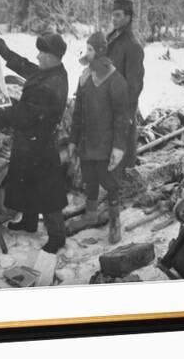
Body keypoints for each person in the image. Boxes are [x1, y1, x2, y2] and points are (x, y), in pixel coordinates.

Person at [0, 33, 69, 253]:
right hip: (31, 139)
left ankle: (58, 236)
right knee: (28, 182)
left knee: (47, 191)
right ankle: (29, 222)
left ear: (53, 56)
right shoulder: (51, 72)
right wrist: (5, 52)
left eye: (42, 52)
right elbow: (26, 67)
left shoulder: (51, 85)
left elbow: (23, 115)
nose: (38, 56)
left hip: (40, 143)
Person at [69, 32, 130, 244]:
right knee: (90, 180)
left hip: (106, 145)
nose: (87, 54)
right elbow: (77, 112)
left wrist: (119, 147)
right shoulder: (85, 77)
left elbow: (123, 118)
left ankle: (114, 221)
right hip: (87, 143)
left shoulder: (115, 80)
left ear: (101, 52)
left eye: (91, 50)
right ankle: (91, 214)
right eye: (86, 49)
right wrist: (73, 140)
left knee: (111, 184)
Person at [106, 0, 145, 168]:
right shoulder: (113, 36)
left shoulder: (132, 45)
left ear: (128, 17)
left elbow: (134, 87)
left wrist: (125, 116)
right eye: (112, 15)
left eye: (118, 15)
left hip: (120, 110)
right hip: (107, 105)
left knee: (121, 160)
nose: (114, 19)